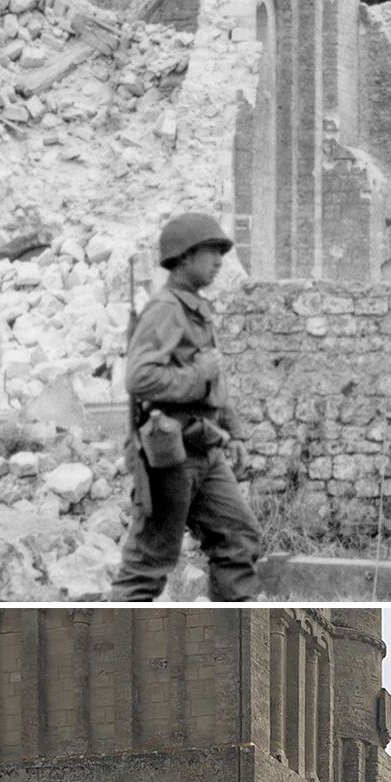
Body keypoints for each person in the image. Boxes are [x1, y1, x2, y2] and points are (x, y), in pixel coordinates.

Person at [109, 214, 263, 602]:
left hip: (205, 450)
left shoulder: (196, 308)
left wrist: (237, 432)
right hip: (171, 454)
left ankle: (237, 645)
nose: (218, 260)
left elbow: (214, 384)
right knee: (149, 561)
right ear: (184, 256)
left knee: (237, 538)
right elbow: (139, 378)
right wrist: (197, 373)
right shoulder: (165, 309)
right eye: (211, 251)